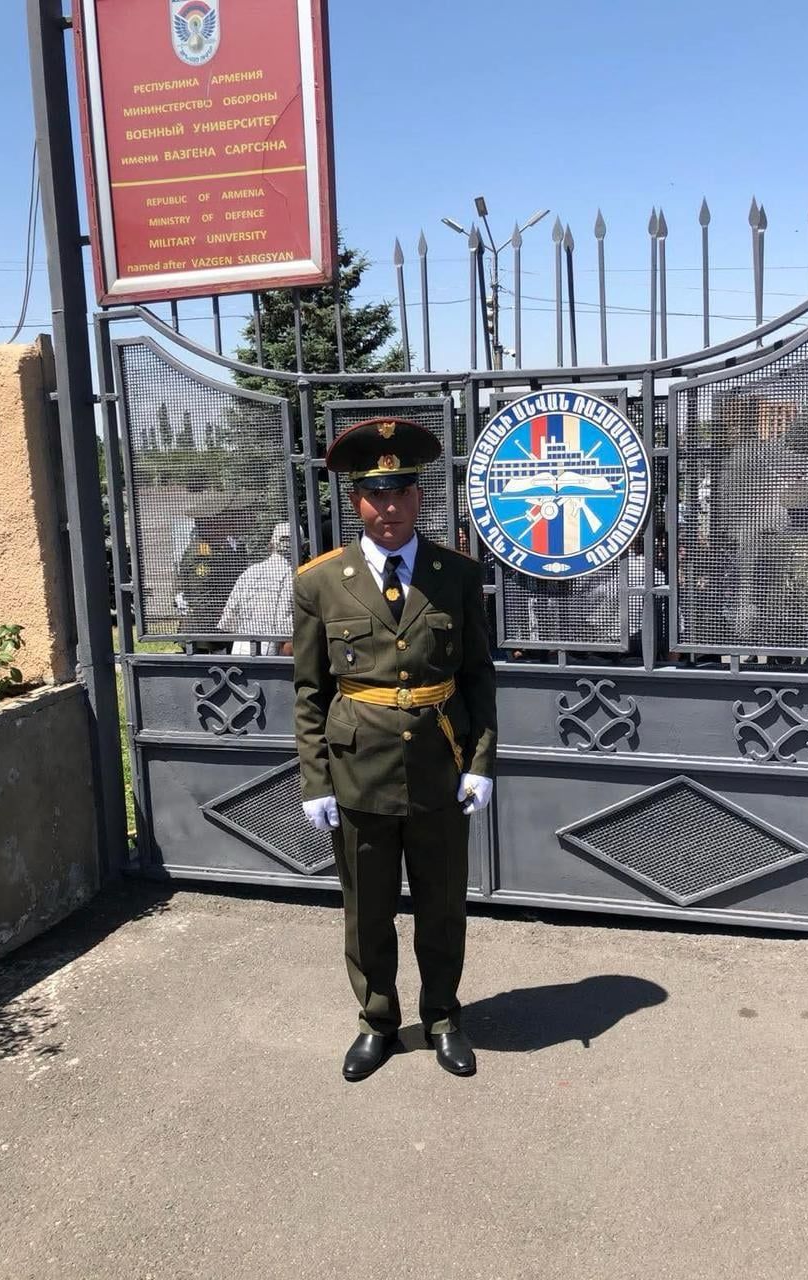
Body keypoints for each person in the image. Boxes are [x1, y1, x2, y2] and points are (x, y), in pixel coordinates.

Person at [292, 417, 497, 1081]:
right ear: (355, 499)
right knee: (367, 913)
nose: (389, 506)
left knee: (442, 907)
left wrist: (481, 764)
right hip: (358, 772)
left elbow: (478, 677)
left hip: (439, 768)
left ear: (418, 497)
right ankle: (378, 1022)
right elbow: (310, 692)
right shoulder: (321, 582)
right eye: (375, 494)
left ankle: (442, 1018)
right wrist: (316, 780)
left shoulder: (456, 574)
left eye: (401, 491)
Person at [218, 521, 302, 655]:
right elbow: (287, 625)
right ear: (301, 547)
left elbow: (229, 614)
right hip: (270, 652)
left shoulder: (250, 571)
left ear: (271, 543)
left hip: (241, 647)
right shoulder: (295, 576)